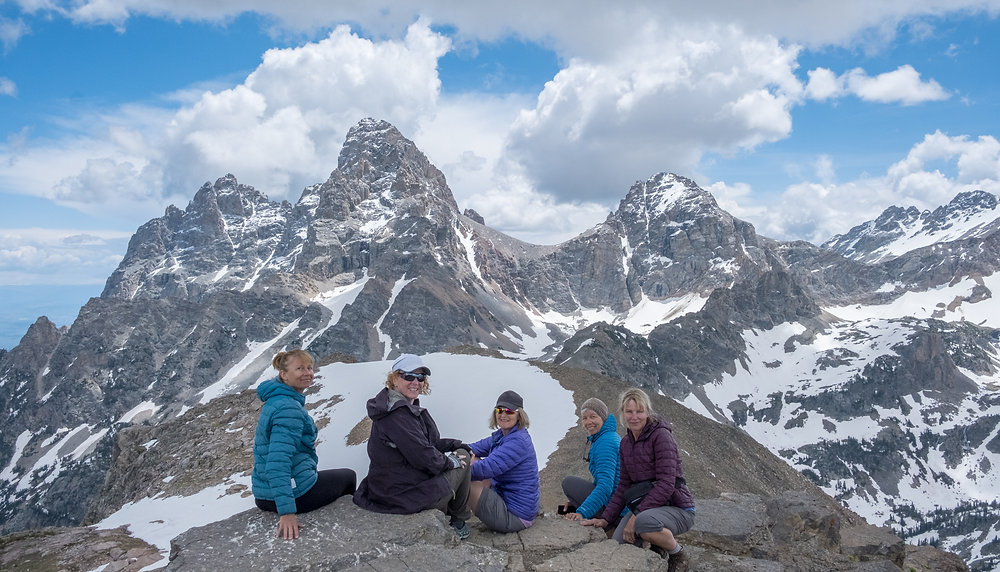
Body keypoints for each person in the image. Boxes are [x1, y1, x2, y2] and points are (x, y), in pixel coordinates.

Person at [353, 354, 474, 539]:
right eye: (408, 376)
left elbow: (426, 443)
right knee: (463, 457)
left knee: (460, 451)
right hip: (405, 496)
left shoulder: (397, 408)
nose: (415, 382)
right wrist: (453, 462)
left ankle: (452, 513)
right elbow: (425, 456)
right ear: (394, 378)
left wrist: (455, 444)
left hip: (391, 490)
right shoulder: (397, 415)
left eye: (420, 377)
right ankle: (457, 520)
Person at [581, 388, 695, 571]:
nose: (634, 417)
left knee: (642, 524)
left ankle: (677, 552)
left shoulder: (661, 436)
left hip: (677, 508)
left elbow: (666, 484)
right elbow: (623, 487)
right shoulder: (626, 443)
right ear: (622, 414)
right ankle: (656, 542)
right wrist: (605, 519)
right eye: (629, 411)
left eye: (639, 411)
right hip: (648, 507)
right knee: (619, 545)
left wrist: (635, 517)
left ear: (647, 412)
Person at [252, 349, 357, 539]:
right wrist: (287, 513)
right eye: (299, 368)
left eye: (309, 367)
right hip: (291, 496)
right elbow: (278, 461)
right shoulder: (288, 409)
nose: (307, 373)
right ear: (284, 375)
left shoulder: (279, 398)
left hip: (265, 492)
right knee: (349, 476)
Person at [467, 390, 540, 532]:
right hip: (506, 499)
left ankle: (457, 519)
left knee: (466, 482)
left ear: (519, 415)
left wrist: (451, 467)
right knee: (472, 457)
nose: (503, 415)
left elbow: (486, 468)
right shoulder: (502, 435)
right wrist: (456, 449)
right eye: (500, 410)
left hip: (515, 516)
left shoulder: (518, 441)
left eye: (509, 411)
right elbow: (474, 448)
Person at [560, 397, 621, 522]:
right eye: (585, 418)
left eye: (593, 416)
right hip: (616, 501)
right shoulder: (605, 437)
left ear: (602, 417)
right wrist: (576, 503)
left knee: (569, 482)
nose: (588, 422)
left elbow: (605, 486)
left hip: (614, 506)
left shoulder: (606, 443)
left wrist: (582, 513)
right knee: (564, 509)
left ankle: (608, 522)